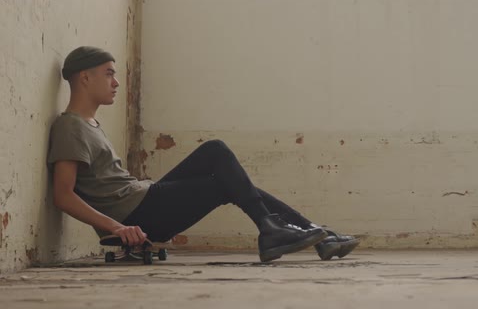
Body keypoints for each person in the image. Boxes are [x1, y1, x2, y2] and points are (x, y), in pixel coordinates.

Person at [47, 46, 359, 262]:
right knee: (220, 161)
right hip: (136, 216)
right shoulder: (70, 127)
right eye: (108, 74)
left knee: (223, 166)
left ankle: (313, 232)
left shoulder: (90, 124)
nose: (116, 82)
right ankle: (290, 230)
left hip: (143, 198)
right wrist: (117, 228)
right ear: (85, 78)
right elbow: (63, 195)